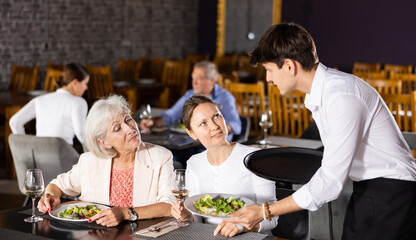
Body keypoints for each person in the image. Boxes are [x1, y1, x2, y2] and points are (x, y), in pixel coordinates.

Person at [223, 22, 416, 239]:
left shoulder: (342, 97)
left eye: (269, 70)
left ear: (289, 66)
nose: (267, 79)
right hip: (370, 190)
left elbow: (331, 182)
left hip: (393, 194)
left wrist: (265, 211)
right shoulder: (324, 92)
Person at [37, 95, 175, 227]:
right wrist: (51, 196)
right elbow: (57, 185)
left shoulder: (160, 156)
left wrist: (125, 213)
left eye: (128, 119)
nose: (130, 129)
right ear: (104, 142)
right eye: (117, 128)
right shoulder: (89, 161)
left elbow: (170, 206)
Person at [170, 95, 278, 237]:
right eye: (203, 123)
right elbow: (197, 218)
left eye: (216, 116)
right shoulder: (193, 163)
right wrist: (186, 215)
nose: (215, 126)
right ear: (191, 133)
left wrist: (242, 226)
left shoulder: (257, 158)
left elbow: (273, 217)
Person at [139, 61, 241, 141]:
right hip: (192, 143)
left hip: (217, 146)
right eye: (193, 78)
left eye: (199, 79)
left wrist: (211, 129)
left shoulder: (225, 97)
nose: (194, 82)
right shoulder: (190, 94)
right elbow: (170, 116)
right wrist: (152, 122)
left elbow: (236, 126)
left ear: (212, 81)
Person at [9, 63, 89, 146]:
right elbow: (80, 132)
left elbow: (14, 122)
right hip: (61, 155)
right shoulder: (78, 102)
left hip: (38, 155)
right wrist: (96, 152)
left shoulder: (39, 99)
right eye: (85, 83)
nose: (86, 88)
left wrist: (26, 148)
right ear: (75, 83)